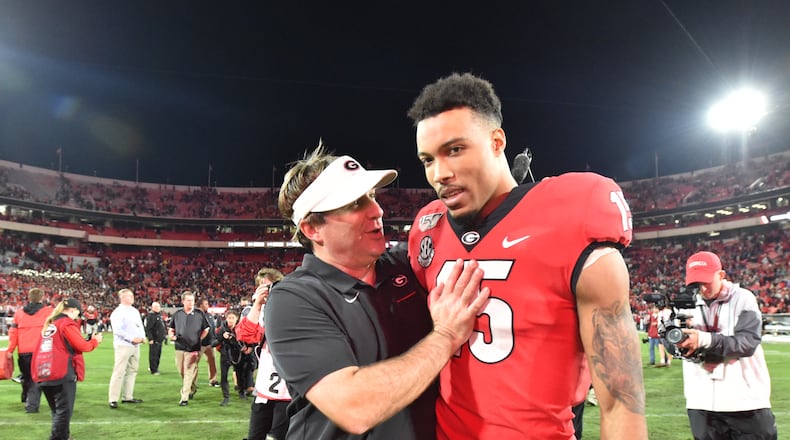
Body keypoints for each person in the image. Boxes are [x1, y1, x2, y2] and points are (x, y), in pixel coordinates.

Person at [406, 72, 647, 439]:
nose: (440, 173)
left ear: (496, 141)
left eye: (455, 150)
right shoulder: (428, 227)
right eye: (427, 159)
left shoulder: (571, 211)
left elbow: (620, 399)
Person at [264, 145, 489, 439]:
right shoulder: (292, 300)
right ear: (311, 229)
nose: (377, 210)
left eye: (371, 196)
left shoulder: (404, 266)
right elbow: (355, 408)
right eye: (354, 203)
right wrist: (445, 336)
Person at [676, 251, 777, 439]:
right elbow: (674, 345)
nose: (702, 288)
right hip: (701, 403)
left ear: (721, 275)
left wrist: (704, 340)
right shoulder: (684, 304)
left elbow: (747, 342)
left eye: (706, 281)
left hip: (746, 402)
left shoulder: (743, 298)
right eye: (696, 282)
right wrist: (674, 342)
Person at [32, 298, 102, 440]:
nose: (78, 316)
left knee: (57, 411)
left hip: (43, 371)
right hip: (61, 371)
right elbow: (82, 346)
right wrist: (95, 341)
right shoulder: (66, 323)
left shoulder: (50, 324)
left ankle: (65, 436)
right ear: (73, 310)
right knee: (64, 412)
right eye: (78, 313)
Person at [236, 267, 290, 440]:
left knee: (278, 436)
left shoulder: (293, 310)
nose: (267, 290)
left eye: (270, 286)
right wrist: (258, 304)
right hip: (265, 387)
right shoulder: (256, 312)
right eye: (262, 286)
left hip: (288, 390)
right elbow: (246, 338)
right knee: (255, 435)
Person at [5, 287, 53, 413]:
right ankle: (31, 406)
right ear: (42, 298)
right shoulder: (48, 312)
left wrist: (10, 350)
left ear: (29, 298)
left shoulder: (19, 313)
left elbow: (13, 333)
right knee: (37, 379)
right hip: (41, 351)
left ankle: (25, 397)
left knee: (27, 377)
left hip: (24, 352)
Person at [168, 290, 210, 406]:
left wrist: (199, 339)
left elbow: (206, 329)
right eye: (188, 300)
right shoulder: (177, 314)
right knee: (181, 370)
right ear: (183, 301)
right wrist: (171, 335)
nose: (191, 303)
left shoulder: (199, 314)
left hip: (193, 348)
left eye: (192, 300)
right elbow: (171, 328)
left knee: (188, 371)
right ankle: (192, 387)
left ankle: (184, 397)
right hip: (179, 346)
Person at [108, 288, 146, 408]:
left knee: (132, 371)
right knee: (119, 371)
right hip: (124, 345)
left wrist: (142, 337)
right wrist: (131, 338)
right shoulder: (118, 312)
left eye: (132, 295)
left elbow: (139, 326)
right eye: (129, 296)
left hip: (135, 346)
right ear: (123, 298)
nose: (132, 297)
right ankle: (113, 399)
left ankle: (127, 396)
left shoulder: (134, 311)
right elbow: (118, 330)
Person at [198, 298, 219, 387]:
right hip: (199, 344)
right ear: (200, 305)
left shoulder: (209, 315)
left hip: (210, 344)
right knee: (194, 364)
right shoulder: (196, 316)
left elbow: (212, 328)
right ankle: (191, 381)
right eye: (205, 304)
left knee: (212, 362)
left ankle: (213, 380)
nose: (207, 305)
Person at [144, 301, 167, 375]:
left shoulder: (158, 316)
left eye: (158, 307)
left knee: (157, 354)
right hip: (155, 339)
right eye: (156, 307)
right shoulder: (151, 316)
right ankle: (153, 370)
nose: (158, 308)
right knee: (154, 355)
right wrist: (150, 338)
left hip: (159, 339)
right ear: (152, 308)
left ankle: (155, 367)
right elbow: (148, 328)